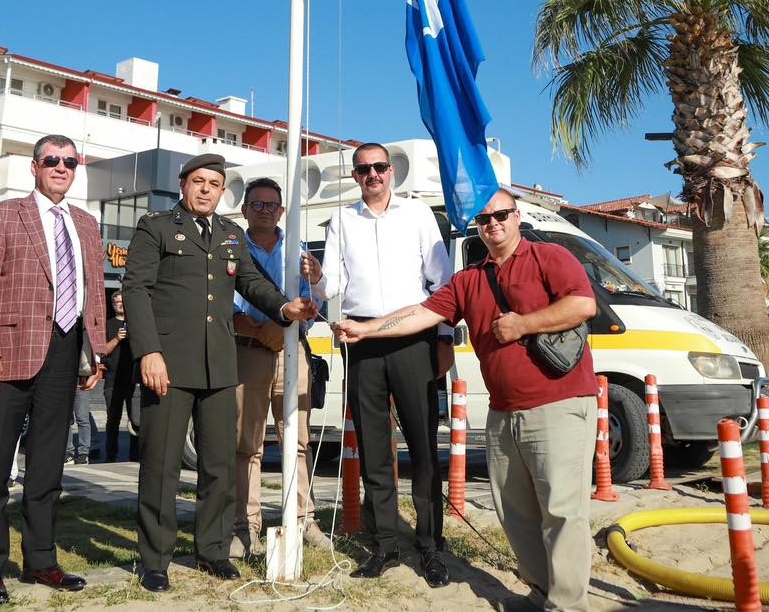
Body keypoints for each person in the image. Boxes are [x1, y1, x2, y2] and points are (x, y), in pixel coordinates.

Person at [334, 188, 599, 612]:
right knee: (517, 515)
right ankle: (541, 592)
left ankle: (567, 605)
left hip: (559, 405)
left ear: (518, 217)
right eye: (484, 219)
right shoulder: (469, 278)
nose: (492, 224)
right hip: (502, 412)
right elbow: (420, 313)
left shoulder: (548, 257)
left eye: (501, 216)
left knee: (562, 512)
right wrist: (368, 329)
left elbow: (583, 305)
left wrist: (523, 324)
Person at [121, 154, 318, 593]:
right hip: (168, 365)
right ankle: (155, 560)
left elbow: (251, 281)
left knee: (218, 465)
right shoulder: (155, 227)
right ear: (184, 184)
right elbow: (135, 290)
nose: (207, 189)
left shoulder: (231, 234)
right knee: (162, 465)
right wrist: (148, 352)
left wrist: (285, 308)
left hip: (219, 366)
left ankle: (211, 550)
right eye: (199, 181)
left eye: (215, 183)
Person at [0, 134, 107, 605]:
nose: (61, 167)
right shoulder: (5, 214)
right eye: (52, 160)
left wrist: (96, 353)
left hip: (66, 354)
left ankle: (41, 561)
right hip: (7, 355)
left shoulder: (87, 223)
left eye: (70, 161)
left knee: (47, 468)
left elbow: (95, 293)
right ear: (34, 166)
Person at [316, 143, 454, 588]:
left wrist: (445, 339)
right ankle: (385, 546)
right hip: (360, 342)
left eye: (378, 167)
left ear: (391, 171)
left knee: (424, 448)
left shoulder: (417, 215)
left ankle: (430, 546)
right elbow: (333, 284)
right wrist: (316, 278)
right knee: (374, 450)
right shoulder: (341, 219)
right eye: (363, 169)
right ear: (354, 176)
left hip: (413, 339)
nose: (372, 175)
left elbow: (443, 283)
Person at [231, 177, 329, 559]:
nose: (265, 211)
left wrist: (285, 326)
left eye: (272, 205)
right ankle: (246, 525)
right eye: (258, 204)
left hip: (292, 351)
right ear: (245, 210)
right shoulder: (232, 247)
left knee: (298, 442)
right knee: (247, 445)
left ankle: (304, 519)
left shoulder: (298, 250)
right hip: (248, 350)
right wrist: (261, 327)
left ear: (282, 210)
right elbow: (225, 302)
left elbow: (311, 302)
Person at [101, 291, 139, 462]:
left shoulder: (135, 323)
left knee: (135, 420)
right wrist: (117, 338)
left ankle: (135, 455)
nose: (120, 304)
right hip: (112, 380)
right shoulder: (107, 325)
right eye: (116, 302)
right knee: (112, 420)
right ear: (112, 304)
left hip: (132, 379)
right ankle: (111, 456)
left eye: (122, 301)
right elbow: (102, 352)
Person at [66, 384, 94, 465]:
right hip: (64, 383)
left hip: (81, 383)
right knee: (66, 419)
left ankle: (84, 454)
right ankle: (68, 453)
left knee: (83, 419)